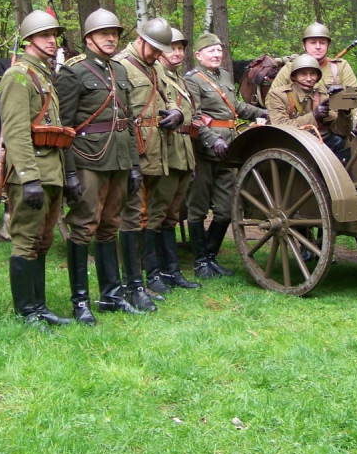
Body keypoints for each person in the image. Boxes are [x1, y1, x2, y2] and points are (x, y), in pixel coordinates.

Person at [56, 8, 144, 321]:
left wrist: (133, 165)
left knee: (110, 226)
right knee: (83, 227)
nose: (111, 38)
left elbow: (128, 121)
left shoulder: (120, 71)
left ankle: (111, 296)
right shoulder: (73, 72)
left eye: (115, 33)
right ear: (89, 38)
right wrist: (69, 173)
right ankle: (80, 302)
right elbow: (64, 128)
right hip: (88, 160)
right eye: (104, 33)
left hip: (119, 159)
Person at [0, 10, 72, 327]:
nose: (52, 41)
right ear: (28, 39)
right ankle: (26, 312)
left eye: (54, 35)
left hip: (50, 172)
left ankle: (39, 307)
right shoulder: (17, 76)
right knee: (26, 241)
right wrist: (29, 178)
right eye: (44, 35)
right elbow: (15, 132)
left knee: (42, 241)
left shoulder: (43, 75)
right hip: (31, 174)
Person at [186, 32, 267, 279]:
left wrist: (263, 112)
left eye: (219, 50)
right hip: (205, 150)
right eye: (211, 51)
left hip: (229, 151)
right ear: (198, 55)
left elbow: (236, 109)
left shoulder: (224, 77)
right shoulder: (193, 80)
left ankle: (211, 258)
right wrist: (213, 140)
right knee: (197, 208)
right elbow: (194, 116)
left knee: (225, 208)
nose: (217, 54)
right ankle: (200, 262)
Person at [114, 17, 184, 304]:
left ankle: (144, 278)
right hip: (135, 148)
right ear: (141, 41)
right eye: (155, 49)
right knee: (133, 216)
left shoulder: (154, 66)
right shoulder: (121, 65)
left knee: (150, 215)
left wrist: (175, 113)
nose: (158, 56)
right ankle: (130, 281)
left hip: (159, 148)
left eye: (161, 51)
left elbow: (168, 98)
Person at [155, 28, 202, 289]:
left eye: (181, 48)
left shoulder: (179, 79)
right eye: (172, 47)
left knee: (172, 214)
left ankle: (172, 271)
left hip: (183, 150)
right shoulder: (158, 75)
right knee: (158, 213)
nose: (177, 53)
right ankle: (156, 271)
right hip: (167, 150)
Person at [265, 54, 350, 161]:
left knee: (340, 141)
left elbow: (341, 131)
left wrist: (344, 112)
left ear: (318, 77)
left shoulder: (322, 96)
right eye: (303, 74)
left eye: (313, 74)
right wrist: (314, 115)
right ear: (294, 76)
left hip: (315, 144)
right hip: (287, 144)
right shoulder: (278, 95)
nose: (309, 79)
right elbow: (281, 127)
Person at [270, 22, 357, 92]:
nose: (318, 47)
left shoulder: (341, 67)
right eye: (313, 42)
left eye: (322, 42)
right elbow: (271, 100)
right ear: (304, 45)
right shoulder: (290, 68)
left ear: (328, 45)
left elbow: (355, 100)